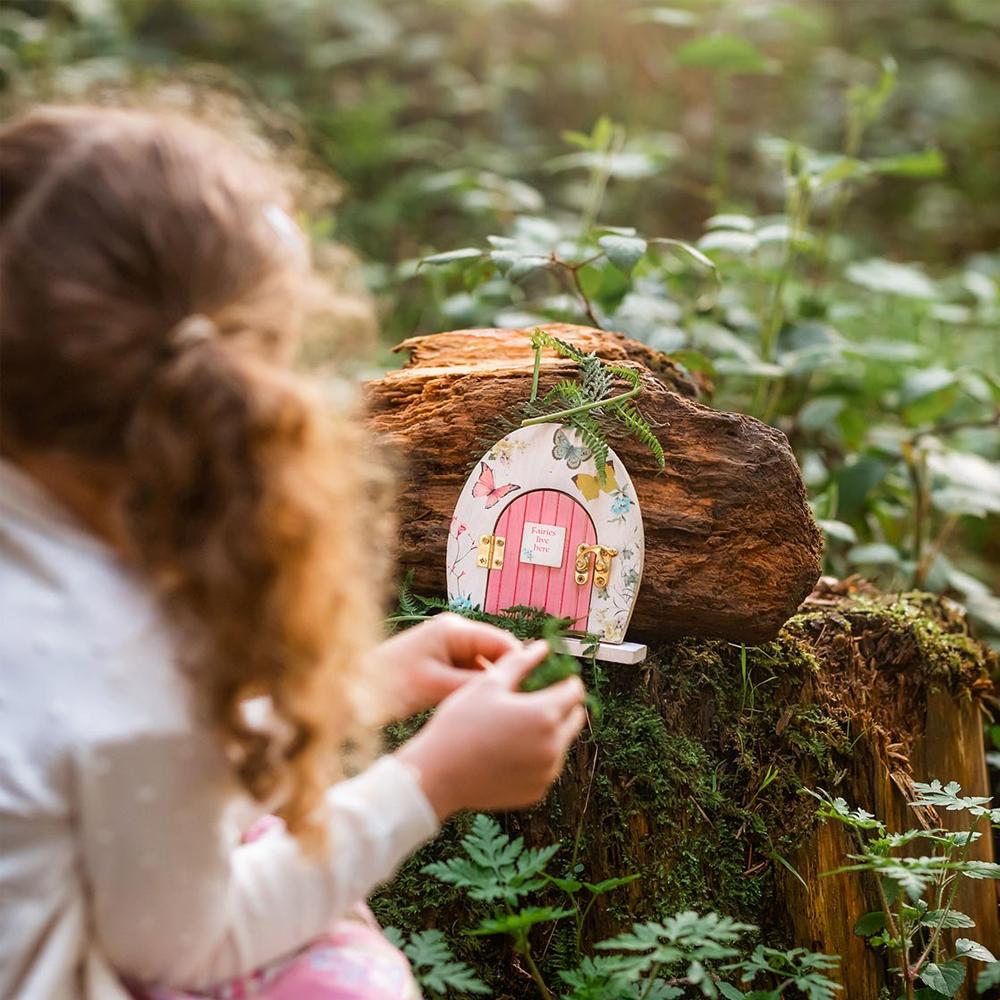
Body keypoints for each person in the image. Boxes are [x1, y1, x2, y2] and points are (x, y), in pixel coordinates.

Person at [0, 106, 587, 1000]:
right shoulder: (121, 654)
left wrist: (358, 691)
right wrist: (427, 781)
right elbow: (188, 945)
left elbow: (96, 777)